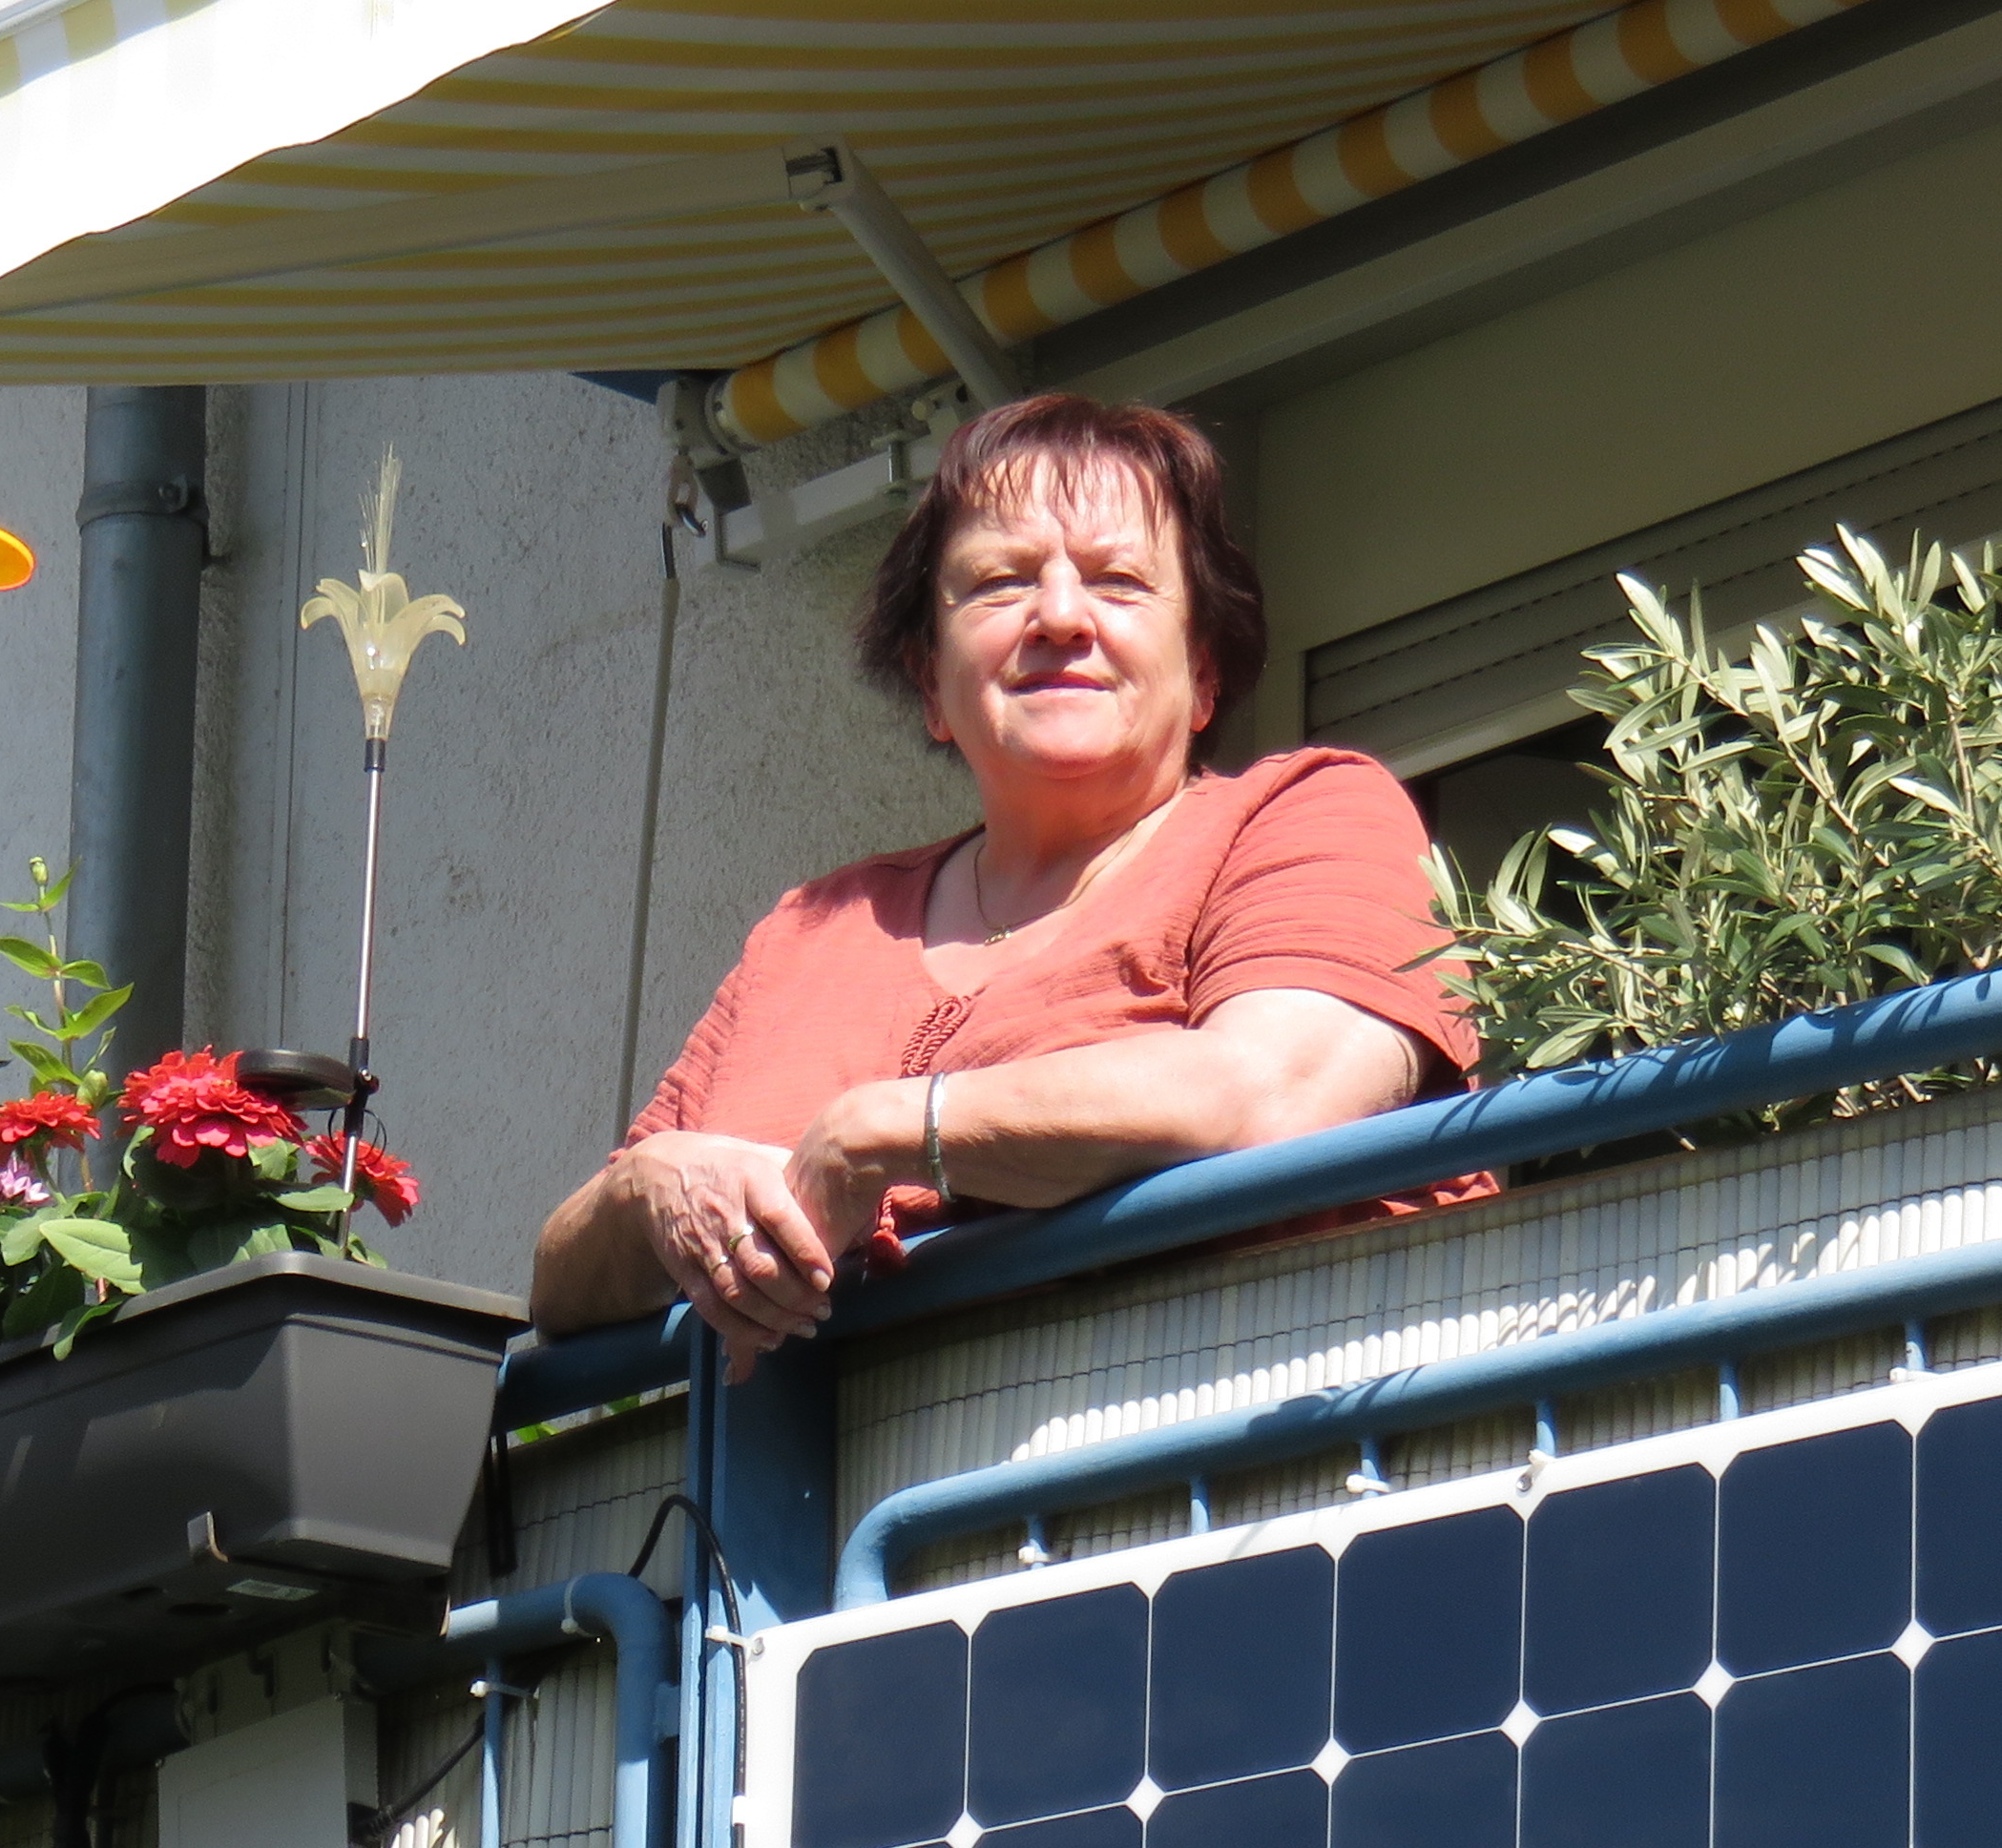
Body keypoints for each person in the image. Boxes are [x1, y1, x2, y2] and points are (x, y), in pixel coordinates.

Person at [532, 393, 1474, 1374]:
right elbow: (562, 1284)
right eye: (1000, 582)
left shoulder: (1306, 816)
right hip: (793, 1474)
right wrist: (650, 1186)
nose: (1060, 617)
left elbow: (1276, 1093)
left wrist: (886, 1130)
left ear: (1202, 672)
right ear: (930, 683)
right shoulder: (808, 933)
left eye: (1118, 581)